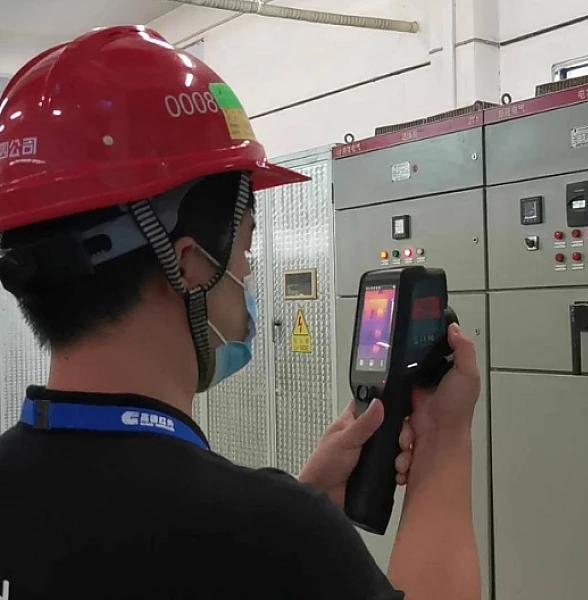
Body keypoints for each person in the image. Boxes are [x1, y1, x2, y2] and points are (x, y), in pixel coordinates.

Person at [0, 26, 481, 600]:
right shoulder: (271, 537)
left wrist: (300, 501)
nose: (248, 272)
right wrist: (442, 440)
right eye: (246, 246)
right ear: (188, 264)